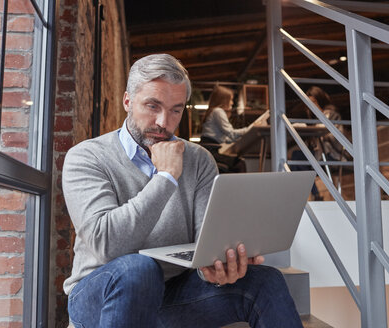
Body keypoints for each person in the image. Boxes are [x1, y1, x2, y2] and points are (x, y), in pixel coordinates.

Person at [62, 54, 303, 327]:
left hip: (173, 292)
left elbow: (205, 242)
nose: (164, 123)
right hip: (100, 295)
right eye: (153, 106)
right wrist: (166, 177)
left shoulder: (199, 160)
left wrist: (215, 268)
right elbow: (106, 245)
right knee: (139, 270)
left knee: (266, 280)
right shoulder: (87, 157)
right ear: (127, 101)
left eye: (176, 110)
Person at [199, 85, 250, 173]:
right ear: (223, 100)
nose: (232, 103)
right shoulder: (218, 111)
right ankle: (242, 187)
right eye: (230, 99)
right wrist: (249, 129)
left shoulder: (214, 111)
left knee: (235, 164)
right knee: (240, 163)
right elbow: (231, 133)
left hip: (208, 150)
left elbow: (227, 138)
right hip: (211, 152)